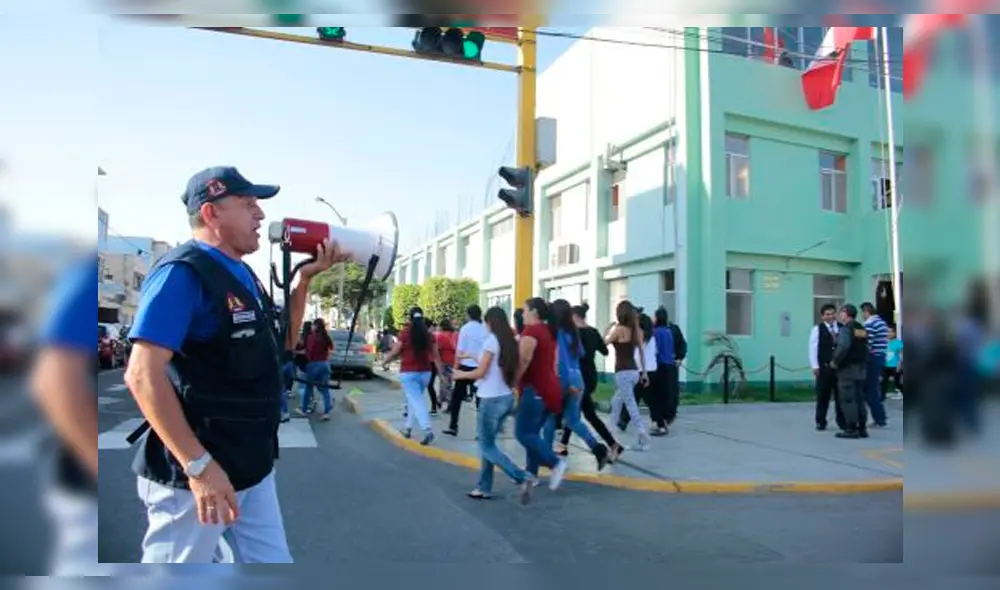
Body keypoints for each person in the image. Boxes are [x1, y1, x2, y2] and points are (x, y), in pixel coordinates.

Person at [124, 166, 347, 563]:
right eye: (248, 205)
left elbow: (284, 345)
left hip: (252, 465)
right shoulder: (182, 273)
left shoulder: (244, 275)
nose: (260, 215)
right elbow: (142, 374)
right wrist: (199, 467)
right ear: (211, 213)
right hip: (196, 476)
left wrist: (304, 283)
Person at [30, 257, 109, 575]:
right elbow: (53, 378)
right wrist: (95, 464)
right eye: (247, 203)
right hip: (85, 494)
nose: (257, 214)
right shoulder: (87, 274)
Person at [454, 307, 535, 500]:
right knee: (488, 444)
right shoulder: (509, 341)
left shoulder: (491, 341)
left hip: (490, 399)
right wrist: (473, 358)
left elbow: (481, 372)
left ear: (490, 322)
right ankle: (484, 487)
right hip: (505, 397)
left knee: (487, 446)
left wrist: (461, 374)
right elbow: (491, 367)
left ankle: (522, 477)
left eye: (485, 322)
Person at [515, 297, 568, 501]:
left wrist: (514, 381)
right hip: (549, 389)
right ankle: (531, 476)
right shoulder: (549, 332)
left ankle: (555, 463)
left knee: (522, 433)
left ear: (535, 312)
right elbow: (554, 363)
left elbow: (524, 359)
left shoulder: (532, 332)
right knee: (533, 434)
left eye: (525, 310)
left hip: (535, 389)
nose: (522, 314)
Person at [547, 299, 610, 469]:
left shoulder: (558, 333)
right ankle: (598, 450)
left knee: (547, 417)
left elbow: (557, 358)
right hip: (578, 378)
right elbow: (580, 354)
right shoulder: (573, 332)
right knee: (574, 421)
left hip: (564, 378)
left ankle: (545, 457)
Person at [560, 304, 622, 458]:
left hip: (579, 378)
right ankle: (563, 444)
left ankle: (613, 445)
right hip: (591, 377)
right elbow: (605, 351)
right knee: (579, 411)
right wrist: (602, 337)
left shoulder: (573, 334)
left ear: (574, 317)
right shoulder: (593, 332)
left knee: (583, 413)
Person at [382, 306, 442, 445]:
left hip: (408, 373)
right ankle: (407, 428)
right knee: (413, 400)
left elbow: (396, 350)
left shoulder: (405, 333)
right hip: (425, 373)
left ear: (410, 318)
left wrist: (385, 361)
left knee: (416, 401)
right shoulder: (429, 335)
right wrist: (442, 374)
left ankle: (427, 430)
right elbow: (436, 356)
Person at [605, 300, 651, 453]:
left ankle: (641, 432)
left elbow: (604, 343)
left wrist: (607, 331)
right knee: (616, 401)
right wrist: (644, 373)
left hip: (622, 372)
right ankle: (610, 432)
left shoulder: (618, 330)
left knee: (630, 404)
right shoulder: (636, 331)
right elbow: (642, 353)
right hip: (634, 372)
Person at [445, 305, 487, 436]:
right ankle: (481, 431)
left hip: (465, 367)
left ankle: (453, 426)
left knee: (457, 398)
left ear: (468, 315)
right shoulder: (485, 329)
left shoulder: (465, 329)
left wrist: (455, 369)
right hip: (479, 367)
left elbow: (460, 351)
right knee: (480, 400)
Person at [830, 304, 870, 439]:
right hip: (861, 368)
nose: (840, 315)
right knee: (859, 398)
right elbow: (865, 346)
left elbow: (844, 346)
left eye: (841, 312)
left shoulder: (846, 329)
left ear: (846, 313)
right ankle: (862, 428)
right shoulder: (861, 328)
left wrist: (835, 361)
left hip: (847, 369)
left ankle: (851, 428)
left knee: (848, 399)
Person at [809, 304, 846, 431]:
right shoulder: (817, 329)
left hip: (839, 368)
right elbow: (813, 348)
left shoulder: (841, 328)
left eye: (832, 314)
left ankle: (842, 421)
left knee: (840, 396)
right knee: (823, 395)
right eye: (827, 314)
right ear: (822, 316)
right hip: (824, 367)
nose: (830, 316)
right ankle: (820, 421)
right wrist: (815, 366)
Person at [619, 312, 657, 434]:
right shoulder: (651, 338)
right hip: (651, 370)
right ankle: (658, 421)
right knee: (649, 398)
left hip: (640, 371)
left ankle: (623, 421)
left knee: (633, 397)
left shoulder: (637, 338)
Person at [860, 302, 889, 427]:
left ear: (866, 312)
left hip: (872, 358)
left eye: (862, 313)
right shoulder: (882, 323)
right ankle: (880, 417)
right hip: (880, 356)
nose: (862, 315)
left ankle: (879, 418)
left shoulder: (870, 324)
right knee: (873, 388)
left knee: (870, 390)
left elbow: (867, 343)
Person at [298, 318, 334, 421]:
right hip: (325, 364)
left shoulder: (311, 337)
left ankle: (304, 410)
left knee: (309, 388)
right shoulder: (326, 337)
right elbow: (331, 348)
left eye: (313, 325)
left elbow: (308, 351)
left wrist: (296, 352)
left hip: (314, 365)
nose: (312, 327)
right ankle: (326, 412)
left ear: (316, 326)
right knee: (325, 389)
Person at [649, 307, 676, 435]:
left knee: (656, 396)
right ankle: (664, 420)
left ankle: (661, 425)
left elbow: (655, 350)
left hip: (660, 366)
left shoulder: (656, 332)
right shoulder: (668, 331)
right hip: (670, 365)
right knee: (665, 395)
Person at [434, 318, 458, 412]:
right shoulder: (454, 335)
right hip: (453, 360)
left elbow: (436, 350)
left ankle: (449, 402)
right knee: (447, 382)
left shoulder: (440, 336)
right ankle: (440, 399)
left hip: (444, 361)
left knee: (445, 382)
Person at [882, 326, 903, 401]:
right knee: (883, 381)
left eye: (891, 332)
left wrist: (899, 365)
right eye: (887, 332)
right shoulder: (883, 342)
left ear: (894, 333)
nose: (889, 333)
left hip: (895, 365)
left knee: (897, 382)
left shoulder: (898, 343)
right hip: (885, 366)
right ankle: (882, 396)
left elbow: (901, 355)